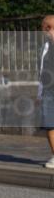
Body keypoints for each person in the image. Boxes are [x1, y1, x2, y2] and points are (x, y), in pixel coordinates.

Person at [40, 14, 54, 169]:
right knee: (49, 123)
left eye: (43, 28)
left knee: (50, 123)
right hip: (48, 89)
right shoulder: (44, 46)